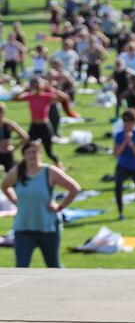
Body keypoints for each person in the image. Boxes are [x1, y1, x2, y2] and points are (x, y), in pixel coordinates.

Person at [1, 140, 81, 268]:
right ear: (23, 155)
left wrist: (60, 207)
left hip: (47, 227)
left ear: (40, 154)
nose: (32, 155)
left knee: (53, 266)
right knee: (21, 267)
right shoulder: (17, 171)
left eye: (35, 152)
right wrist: (15, 201)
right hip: (23, 228)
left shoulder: (49, 172)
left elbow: (74, 188)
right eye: (29, 152)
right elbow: (5, 186)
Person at [12, 78, 67, 167]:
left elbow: (64, 98)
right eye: (34, 85)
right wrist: (25, 90)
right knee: (26, 147)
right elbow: (14, 98)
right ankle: (25, 166)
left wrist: (51, 88)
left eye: (38, 85)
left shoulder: (47, 96)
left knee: (49, 152)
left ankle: (59, 165)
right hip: (34, 126)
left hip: (44, 126)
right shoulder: (30, 96)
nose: (36, 87)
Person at [113, 110, 135, 220]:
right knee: (118, 187)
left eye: (130, 121)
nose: (127, 124)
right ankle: (120, 212)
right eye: (125, 121)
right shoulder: (119, 135)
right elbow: (116, 153)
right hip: (123, 165)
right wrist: (125, 141)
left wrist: (131, 143)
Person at [0, 102, 29, 172]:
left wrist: (15, 148)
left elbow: (25, 137)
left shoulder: (9, 125)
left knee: (10, 175)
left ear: (3, 114)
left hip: (7, 154)